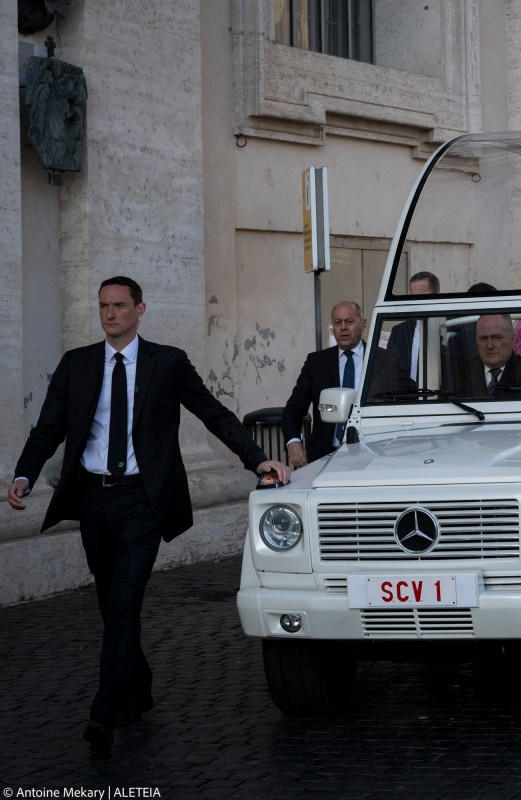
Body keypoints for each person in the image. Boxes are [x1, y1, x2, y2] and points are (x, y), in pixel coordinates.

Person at [6, 276, 290, 755]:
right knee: (109, 603)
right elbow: (49, 427)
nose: (109, 314)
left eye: (119, 305)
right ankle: (138, 688)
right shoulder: (77, 364)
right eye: (103, 306)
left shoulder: (167, 362)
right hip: (94, 500)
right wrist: (24, 475)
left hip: (144, 501)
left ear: (140, 309)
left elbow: (213, 413)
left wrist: (256, 459)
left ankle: (104, 711)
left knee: (124, 603)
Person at [283, 301, 407, 468]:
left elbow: (408, 400)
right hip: (325, 458)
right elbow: (294, 408)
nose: (343, 327)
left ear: (363, 324)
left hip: (374, 457)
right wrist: (293, 442)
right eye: (337, 322)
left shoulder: (386, 360)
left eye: (349, 321)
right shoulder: (316, 363)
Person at [470, 313, 521, 396]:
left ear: (513, 339)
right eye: (483, 338)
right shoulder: (463, 372)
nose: (489, 346)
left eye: (497, 338)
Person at [387, 271, 440, 382]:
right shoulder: (399, 332)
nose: (417, 302)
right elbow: (391, 371)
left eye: (422, 297)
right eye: (413, 298)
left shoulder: (451, 327)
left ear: (437, 295)